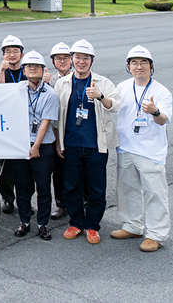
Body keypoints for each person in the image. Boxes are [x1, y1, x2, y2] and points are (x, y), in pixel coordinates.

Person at [54, 39, 121, 245]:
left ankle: (92, 225)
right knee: (71, 186)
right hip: (71, 144)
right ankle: (76, 222)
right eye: (77, 57)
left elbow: (115, 105)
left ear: (92, 60)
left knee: (96, 188)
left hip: (96, 145)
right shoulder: (62, 83)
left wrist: (100, 96)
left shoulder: (102, 82)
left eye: (85, 58)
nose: (81, 61)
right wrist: (59, 143)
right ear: (72, 59)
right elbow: (56, 116)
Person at [112, 46, 172, 252]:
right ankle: (132, 225)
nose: (139, 67)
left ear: (151, 66)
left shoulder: (161, 91)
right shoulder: (121, 87)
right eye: (134, 63)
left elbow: (164, 120)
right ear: (128, 67)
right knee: (127, 189)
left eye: (143, 62)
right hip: (126, 147)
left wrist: (155, 111)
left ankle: (156, 234)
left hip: (150, 151)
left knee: (155, 192)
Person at [12, 51, 59, 241]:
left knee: (43, 187)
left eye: (36, 66)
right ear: (23, 70)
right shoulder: (17, 89)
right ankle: (24, 221)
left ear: (43, 70)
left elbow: (45, 122)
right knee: (22, 187)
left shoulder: (50, 94)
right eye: (29, 66)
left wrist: (36, 146)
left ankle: (42, 224)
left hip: (43, 147)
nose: (32, 69)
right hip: (21, 146)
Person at [0, 35, 26, 215]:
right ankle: (7, 198)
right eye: (7, 52)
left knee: (24, 168)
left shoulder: (29, 70)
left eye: (15, 51)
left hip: (25, 124)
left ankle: (24, 200)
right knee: (4, 169)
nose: (11, 55)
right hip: (5, 124)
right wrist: (3, 72)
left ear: (21, 53)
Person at [48, 42, 72, 219]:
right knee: (59, 170)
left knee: (79, 170)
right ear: (53, 61)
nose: (62, 61)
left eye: (65, 58)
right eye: (58, 58)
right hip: (56, 132)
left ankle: (79, 202)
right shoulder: (49, 81)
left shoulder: (81, 77)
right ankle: (61, 204)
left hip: (75, 131)